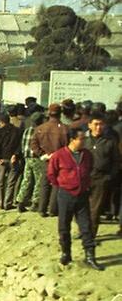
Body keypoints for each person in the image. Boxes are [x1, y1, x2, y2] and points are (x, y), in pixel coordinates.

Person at [47, 128, 102, 270]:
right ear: (72, 140)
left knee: (86, 226)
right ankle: (66, 253)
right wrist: (63, 185)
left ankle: (90, 256)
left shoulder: (87, 155)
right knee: (64, 227)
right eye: (81, 139)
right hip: (65, 195)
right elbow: (52, 174)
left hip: (82, 195)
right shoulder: (59, 155)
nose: (84, 141)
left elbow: (89, 170)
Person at [86, 111, 119, 238]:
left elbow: (116, 161)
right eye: (95, 124)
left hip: (101, 179)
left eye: (101, 124)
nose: (98, 127)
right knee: (81, 207)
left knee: (95, 209)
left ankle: (91, 234)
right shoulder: (83, 140)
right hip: (83, 178)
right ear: (89, 125)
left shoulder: (110, 142)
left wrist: (109, 176)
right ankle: (83, 229)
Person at [31, 103, 68, 217]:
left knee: (45, 184)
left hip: (46, 160)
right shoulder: (65, 129)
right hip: (61, 160)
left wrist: (43, 154)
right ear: (60, 114)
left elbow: (33, 144)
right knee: (56, 185)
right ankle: (53, 209)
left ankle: (42, 209)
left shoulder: (40, 128)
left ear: (48, 113)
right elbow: (68, 146)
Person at [16, 112, 46, 212]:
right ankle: (35, 202)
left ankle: (20, 202)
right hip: (36, 158)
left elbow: (22, 144)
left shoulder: (27, 130)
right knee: (38, 181)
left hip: (27, 158)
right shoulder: (40, 131)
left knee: (26, 180)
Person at [0, 112, 22, 209]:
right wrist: (15, 155)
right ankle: (7, 203)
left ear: (1, 122)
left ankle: (0, 202)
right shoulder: (17, 131)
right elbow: (20, 145)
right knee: (11, 183)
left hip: (1, 160)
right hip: (14, 160)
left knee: (0, 182)